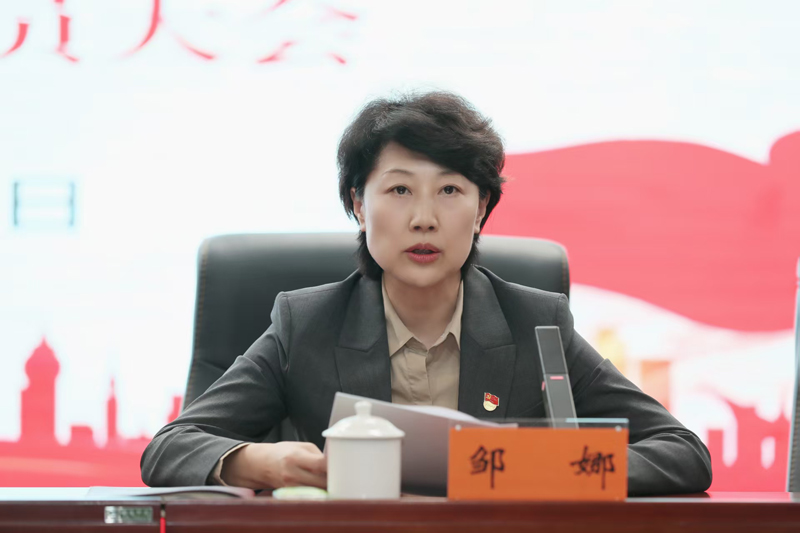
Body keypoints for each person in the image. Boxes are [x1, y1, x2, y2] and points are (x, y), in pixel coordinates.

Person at [140, 91, 712, 496]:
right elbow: (170, 448)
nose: (423, 218)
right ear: (358, 205)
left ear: (482, 209)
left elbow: (682, 453)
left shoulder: (534, 322)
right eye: (399, 190)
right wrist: (264, 462)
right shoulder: (306, 324)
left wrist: (533, 469)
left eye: (449, 191)